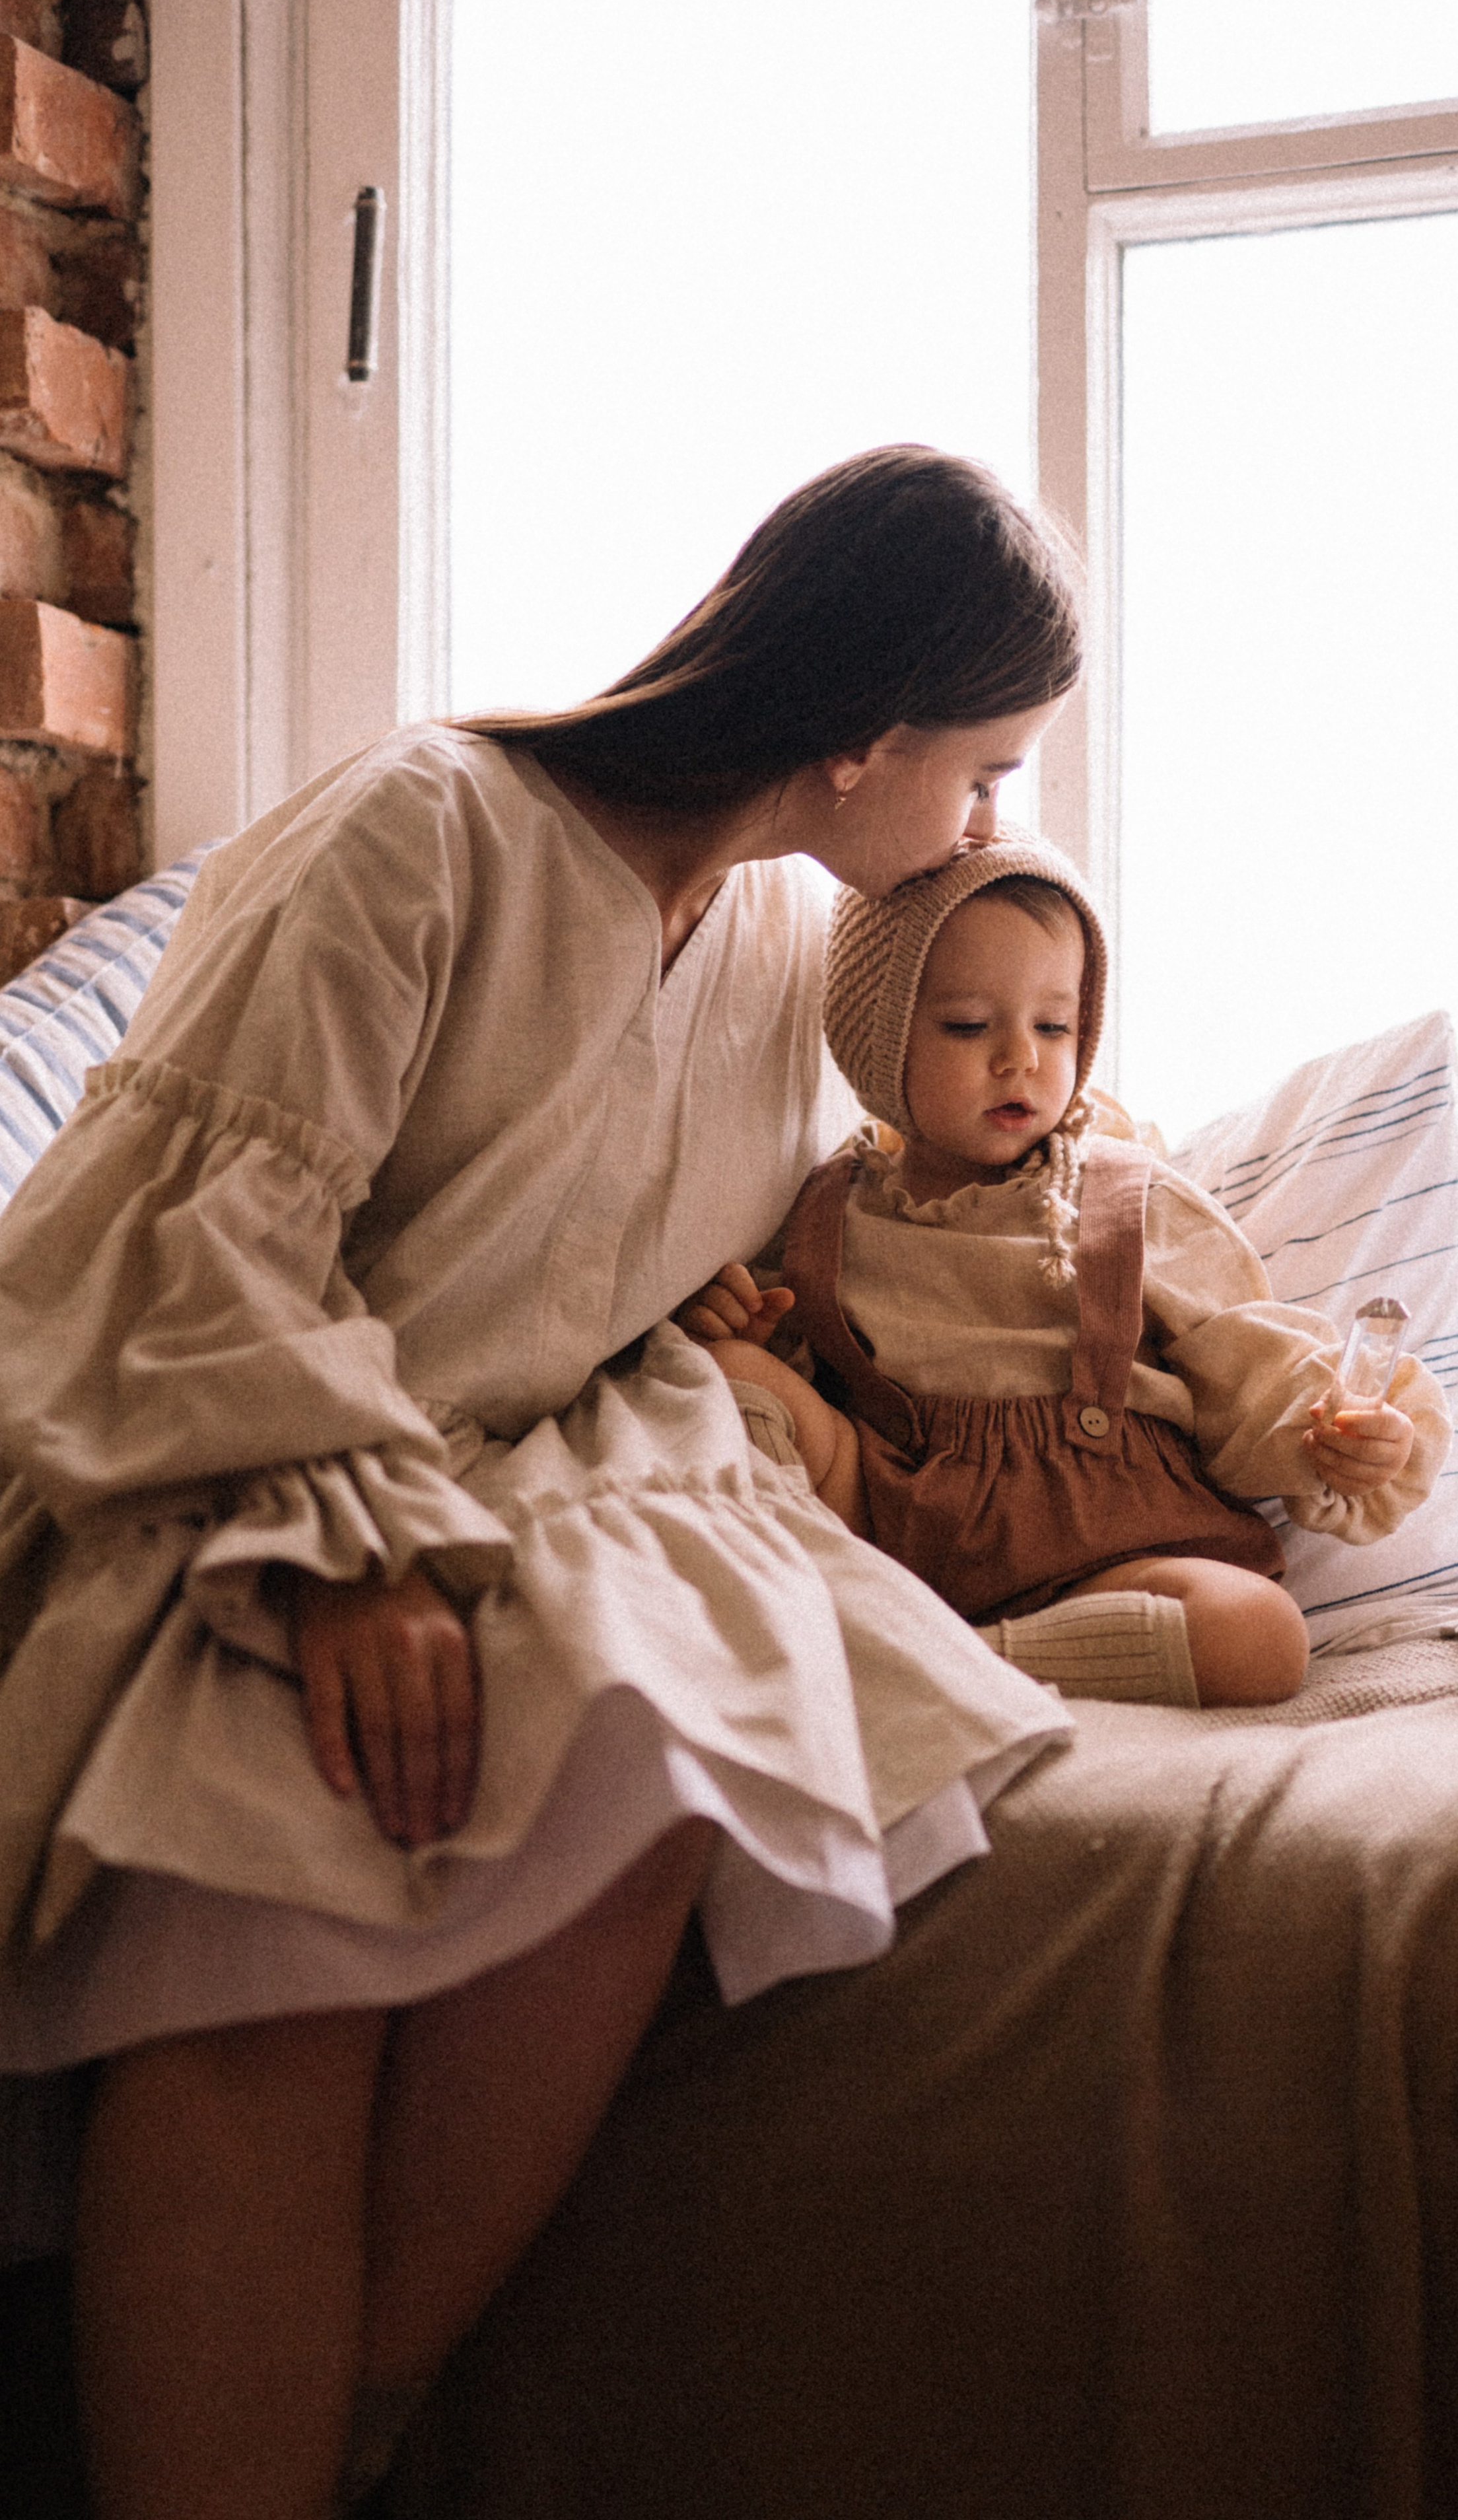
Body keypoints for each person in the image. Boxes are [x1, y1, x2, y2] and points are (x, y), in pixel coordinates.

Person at [0, 449, 1084, 2520]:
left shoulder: (781, 939)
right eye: (984, 771)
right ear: (859, 737)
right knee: (282, 1885)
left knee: (656, 1761)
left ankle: (341, 2440)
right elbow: (186, 1234)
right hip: (224, 1437)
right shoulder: (426, 826)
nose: (987, 826)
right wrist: (350, 1555)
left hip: (536, 1461)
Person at [683, 837, 1452, 1709]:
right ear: (875, 1041)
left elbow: (1248, 1357)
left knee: (1260, 1635)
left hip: (1109, 1554)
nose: (1023, 1059)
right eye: (970, 1026)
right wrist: (745, 1333)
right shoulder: (828, 1211)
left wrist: (1336, 1435)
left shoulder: (1132, 1196)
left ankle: (958, 1662)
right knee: (732, 1381)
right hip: (898, 1526)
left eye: (1055, 1026)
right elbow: (800, 1362)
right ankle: (879, 1631)